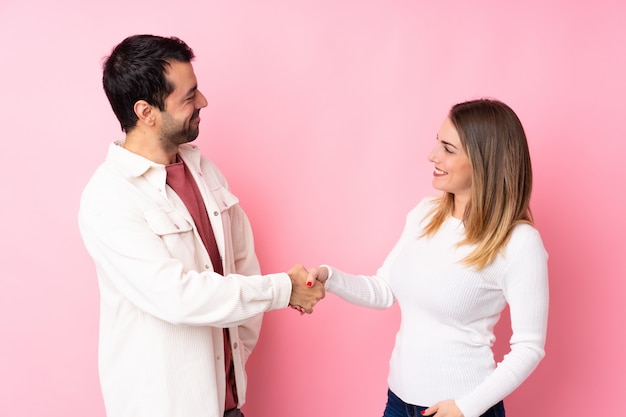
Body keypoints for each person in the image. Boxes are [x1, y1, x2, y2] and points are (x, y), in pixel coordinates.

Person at [78, 34, 324, 417]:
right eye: (189, 96)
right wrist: (283, 289)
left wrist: (234, 359)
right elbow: (176, 296)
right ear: (146, 112)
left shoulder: (203, 169)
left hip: (228, 405)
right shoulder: (109, 198)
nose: (203, 102)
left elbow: (242, 263)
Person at [306, 99, 549, 417]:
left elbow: (529, 347)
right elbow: (384, 289)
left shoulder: (519, 243)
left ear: (483, 160)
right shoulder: (425, 213)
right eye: (438, 143)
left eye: (448, 148)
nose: (432, 156)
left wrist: (466, 407)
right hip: (399, 401)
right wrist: (330, 277)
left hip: (459, 408)